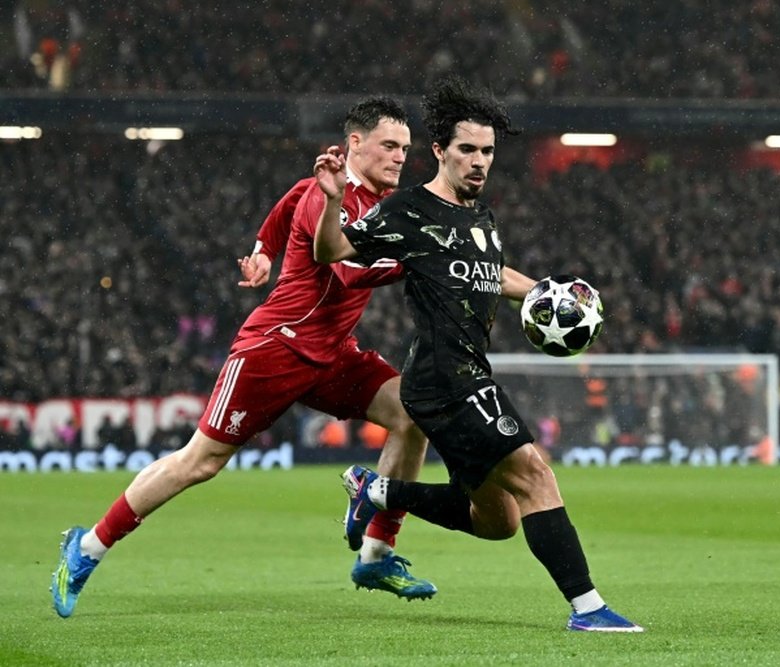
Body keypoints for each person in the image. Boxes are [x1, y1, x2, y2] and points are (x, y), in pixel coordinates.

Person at [51, 96, 436, 619]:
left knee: (413, 416)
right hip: (274, 350)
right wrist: (417, 259)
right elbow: (345, 268)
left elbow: (285, 206)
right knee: (199, 462)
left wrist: (262, 249)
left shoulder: (335, 192)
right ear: (355, 145)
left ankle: (376, 553)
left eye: (406, 148)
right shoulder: (331, 196)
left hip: (332, 354)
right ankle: (88, 546)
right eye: (389, 146)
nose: (399, 157)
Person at [312, 76, 643, 632]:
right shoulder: (409, 211)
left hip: (467, 374)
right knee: (536, 474)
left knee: (498, 521)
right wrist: (332, 202)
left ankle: (378, 489)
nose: (479, 161)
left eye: (487, 151)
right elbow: (331, 251)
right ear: (439, 150)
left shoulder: (480, 217)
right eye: (467, 149)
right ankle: (588, 609)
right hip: (445, 380)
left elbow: (490, 274)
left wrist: (550, 295)